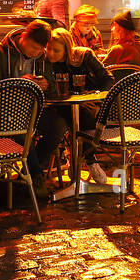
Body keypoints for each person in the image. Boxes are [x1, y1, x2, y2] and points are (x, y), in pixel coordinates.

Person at [0, 19, 56, 200]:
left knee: (59, 125)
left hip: (34, 111)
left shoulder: (41, 57)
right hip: (2, 114)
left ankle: (27, 172)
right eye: (33, 47)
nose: (36, 53)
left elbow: (52, 85)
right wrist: (21, 82)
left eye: (40, 50)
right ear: (24, 36)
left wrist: (46, 84)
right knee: (23, 129)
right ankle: (36, 178)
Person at [46, 28, 112, 185]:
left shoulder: (84, 56)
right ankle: (90, 159)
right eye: (48, 48)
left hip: (90, 105)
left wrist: (97, 101)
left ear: (67, 49)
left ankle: (78, 156)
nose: (50, 53)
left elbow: (108, 79)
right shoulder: (45, 63)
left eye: (56, 50)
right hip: (62, 107)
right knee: (80, 115)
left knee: (85, 116)